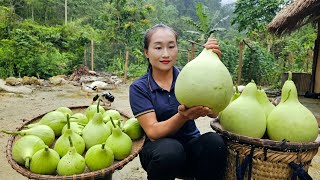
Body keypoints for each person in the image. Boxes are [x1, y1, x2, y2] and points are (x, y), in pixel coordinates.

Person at [129, 24, 227, 180]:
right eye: (158, 48)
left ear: (177, 49)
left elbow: (214, 112)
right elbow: (153, 132)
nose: (166, 54)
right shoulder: (139, 87)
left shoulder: (190, 76)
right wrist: (183, 116)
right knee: (171, 150)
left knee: (215, 142)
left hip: (190, 149)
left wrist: (212, 67)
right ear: (146, 52)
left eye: (171, 46)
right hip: (159, 153)